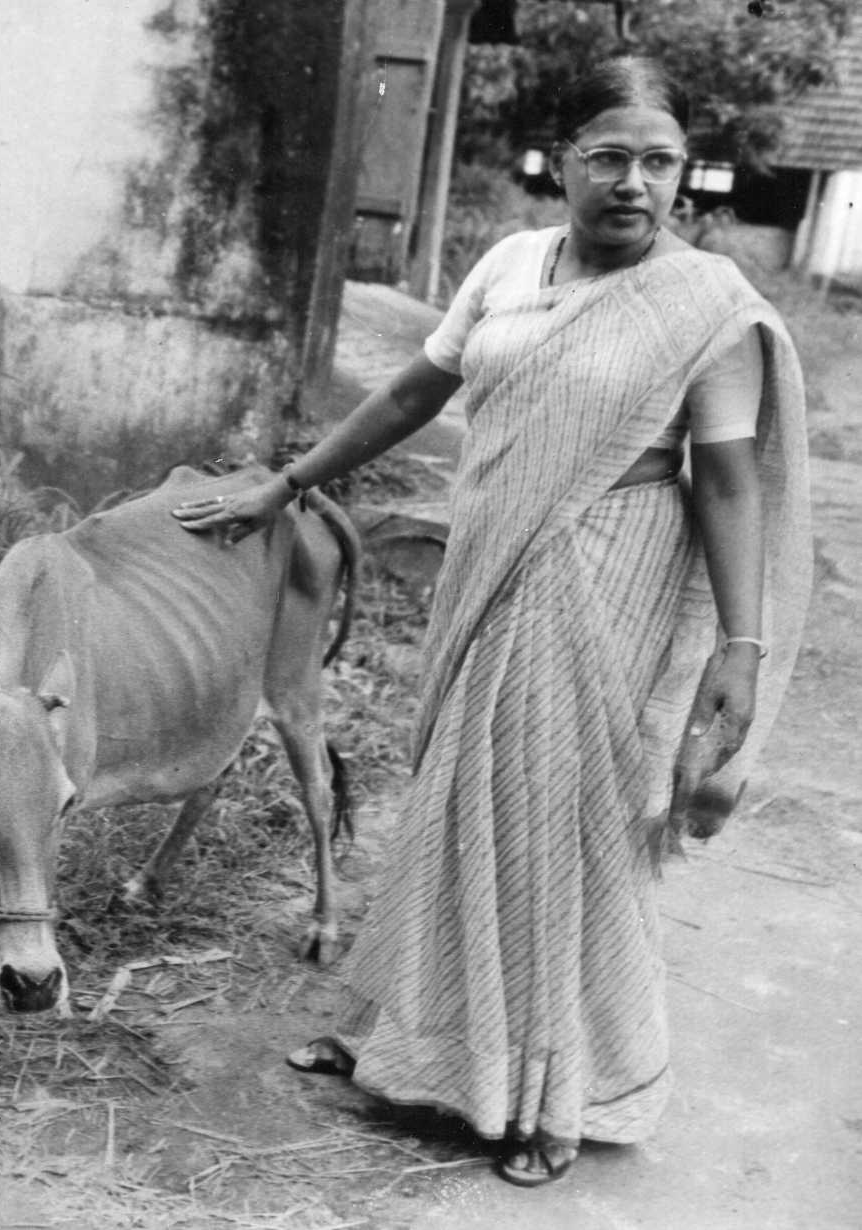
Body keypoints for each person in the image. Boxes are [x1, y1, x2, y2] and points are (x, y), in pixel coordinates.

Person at [174, 57, 810, 1187]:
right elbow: (417, 392)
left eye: (657, 162)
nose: (633, 183)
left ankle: (551, 1093)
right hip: (488, 569)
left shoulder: (704, 308)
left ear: (681, 176)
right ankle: (400, 1043)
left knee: (561, 831)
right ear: (559, 162)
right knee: (455, 805)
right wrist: (289, 481)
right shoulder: (512, 264)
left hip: (599, 585)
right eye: (607, 157)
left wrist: (740, 650)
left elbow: (726, 483)